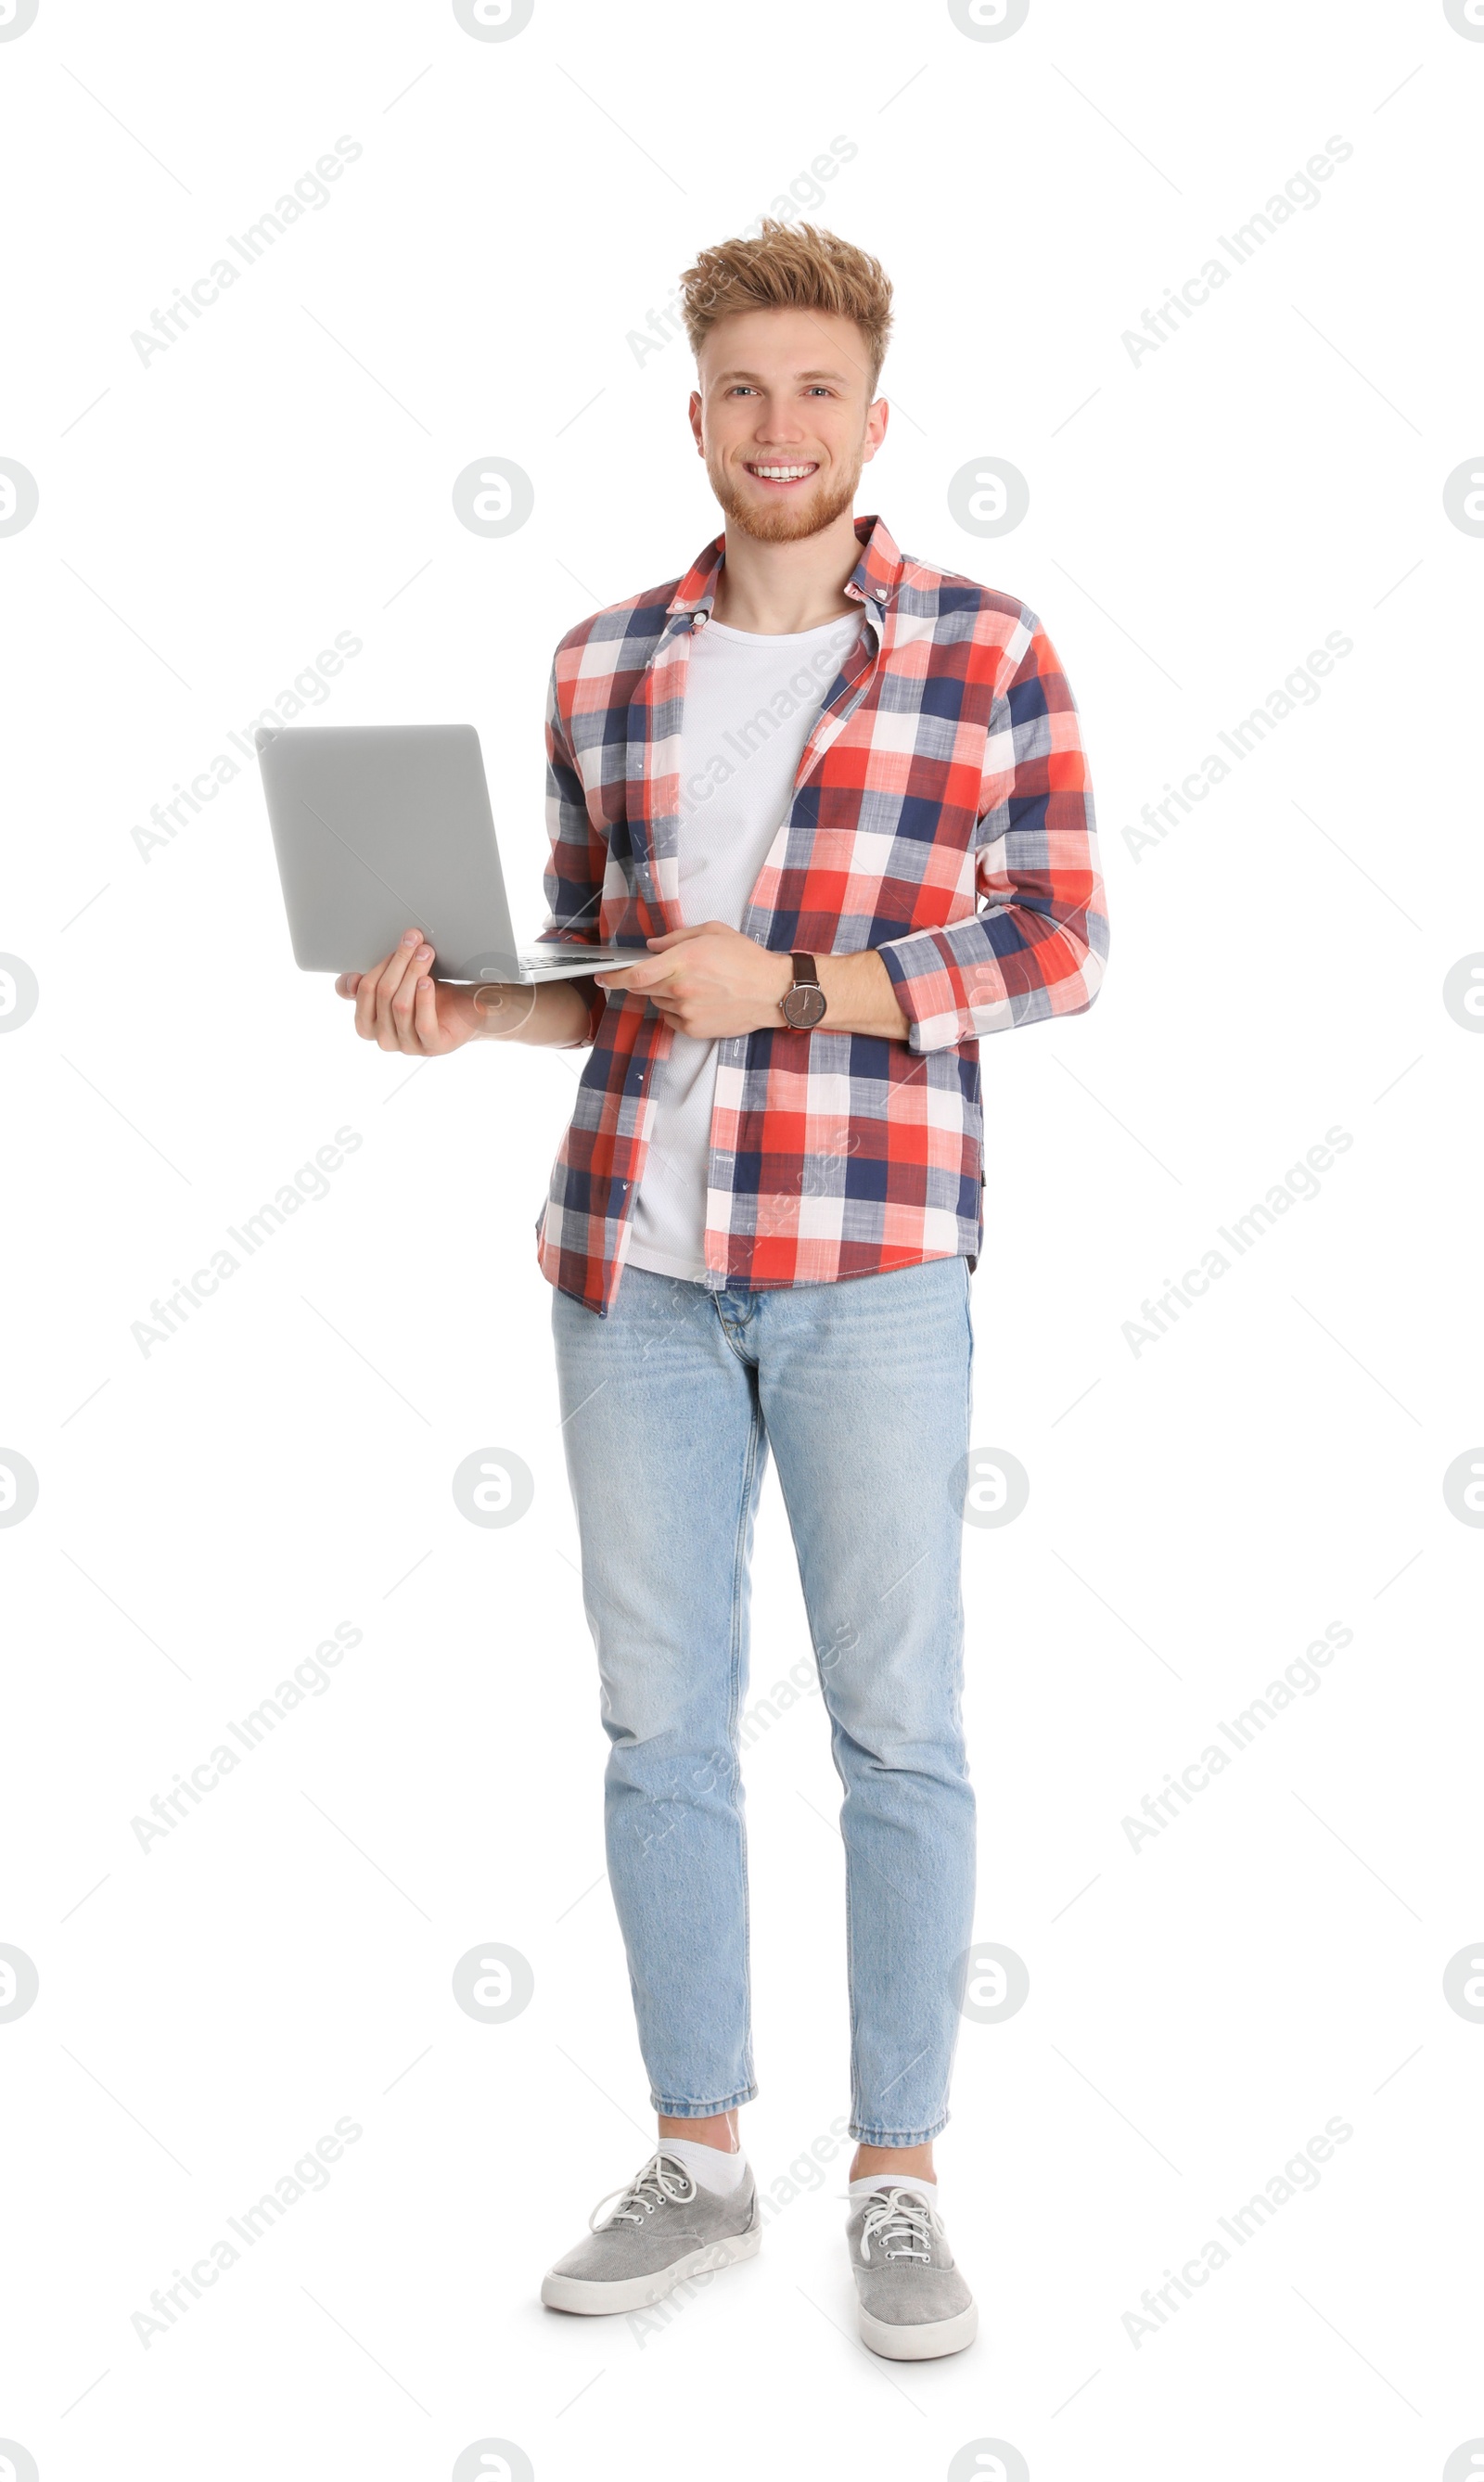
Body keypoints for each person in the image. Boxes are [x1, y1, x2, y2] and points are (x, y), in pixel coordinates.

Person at [339, 220, 1107, 2360]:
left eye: (815, 393)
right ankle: (696, 2158)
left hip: (869, 1268)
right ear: (694, 417)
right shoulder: (600, 663)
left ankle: (893, 2181)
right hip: (631, 1276)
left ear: (874, 422)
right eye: (741, 394)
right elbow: (607, 988)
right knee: (657, 1727)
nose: (778, 429)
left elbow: (1051, 947)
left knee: (896, 1731)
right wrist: (451, 1013)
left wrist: (798, 982)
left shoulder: (981, 648)